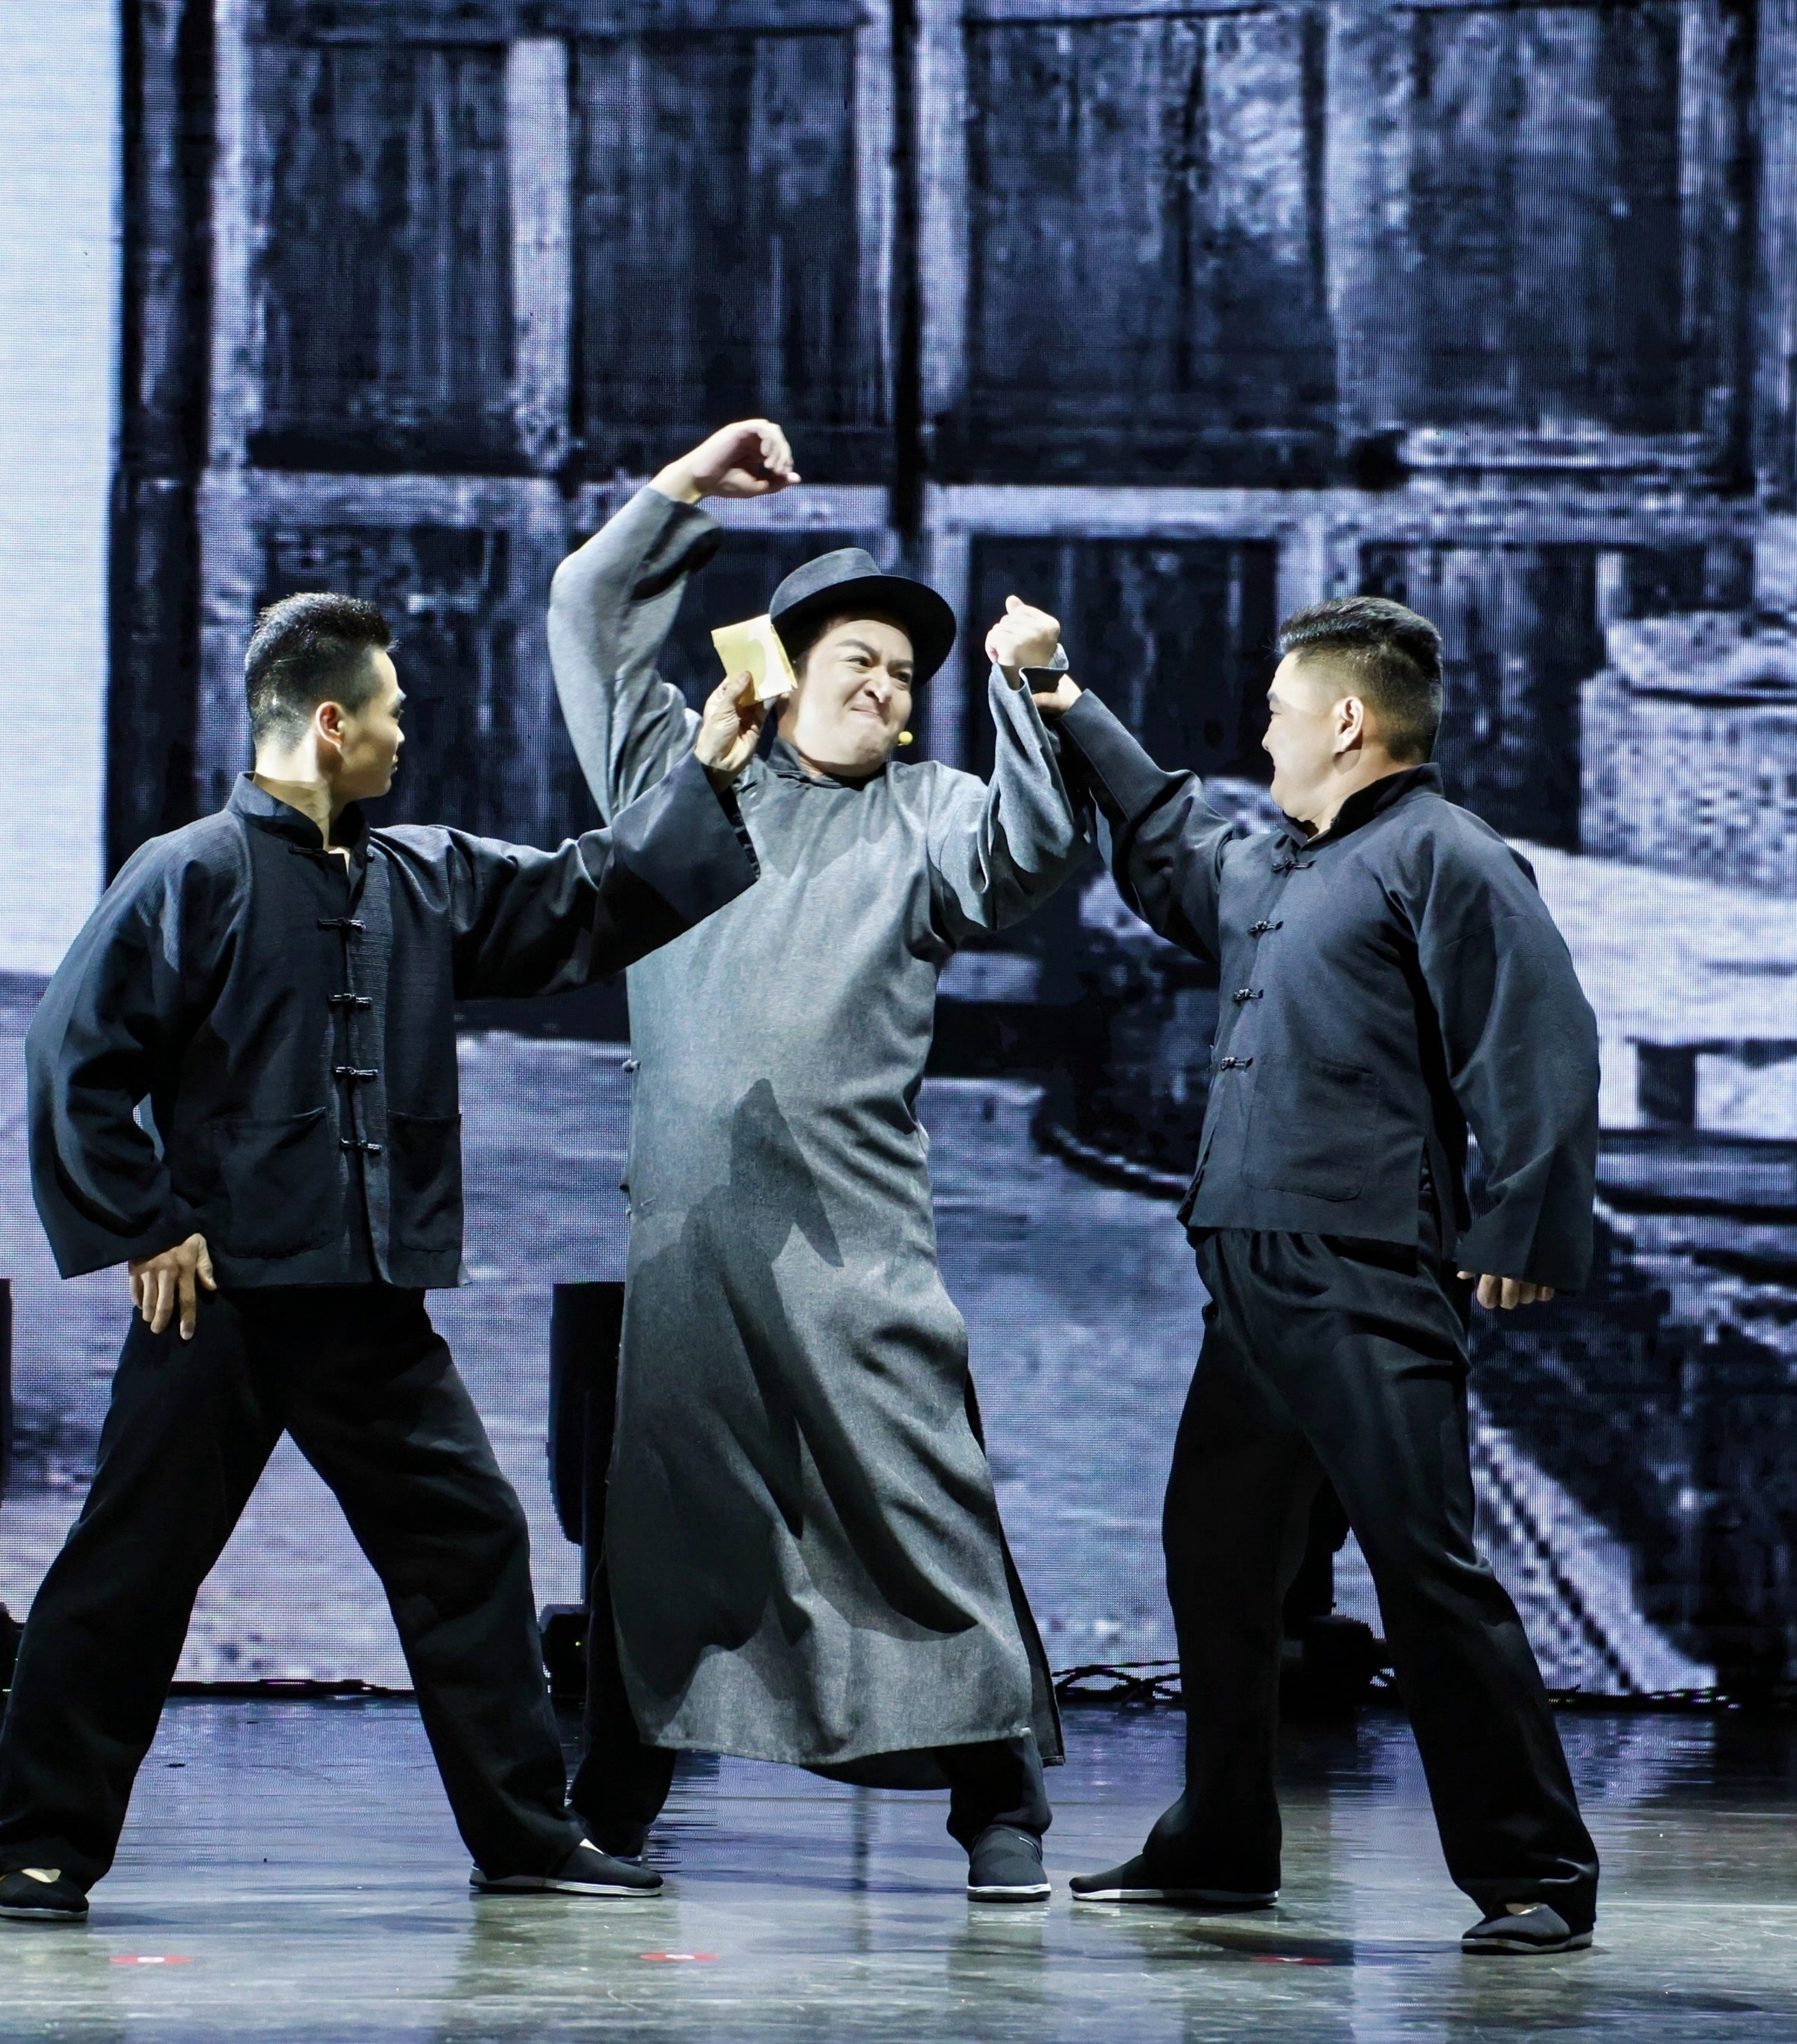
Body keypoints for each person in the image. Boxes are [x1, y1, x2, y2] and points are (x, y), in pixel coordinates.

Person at [0, 592, 765, 1921]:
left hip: (369, 1309)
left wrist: (710, 773)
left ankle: (527, 1835)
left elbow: (581, 894)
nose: (408, 735)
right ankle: (36, 1843)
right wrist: (146, 1222)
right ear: (332, 723)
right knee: (130, 1570)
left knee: (469, 1543)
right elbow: (74, 1050)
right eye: (393, 712)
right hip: (222, 1306)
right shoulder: (190, 873)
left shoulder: (420, 877)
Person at [547, 419, 1088, 1902]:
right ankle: (613, 1804)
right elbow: (588, 611)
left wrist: (1026, 687)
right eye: (858, 657)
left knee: (919, 1497)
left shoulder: (930, 814)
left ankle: (998, 1802)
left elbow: (1033, 850)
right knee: (671, 1518)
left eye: (906, 674)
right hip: (694, 1236)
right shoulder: (679, 778)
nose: (885, 685)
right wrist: (683, 492)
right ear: (782, 669)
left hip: (857, 1239)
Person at [1029, 592, 1605, 1956]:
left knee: (1424, 1565)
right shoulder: (1282, 865)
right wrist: (1066, 702)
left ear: (1348, 722)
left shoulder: (1444, 855)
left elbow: (1539, 1036)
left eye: (1281, 713)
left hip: (1364, 1272)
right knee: (1219, 1557)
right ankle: (1221, 1845)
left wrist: (1522, 1223)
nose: (1265, 736)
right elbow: (1171, 838)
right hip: (1252, 1274)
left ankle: (1535, 1872)